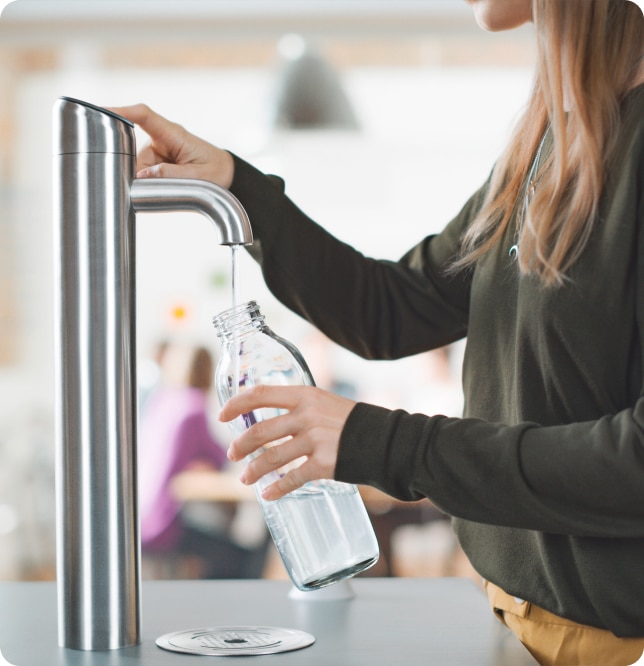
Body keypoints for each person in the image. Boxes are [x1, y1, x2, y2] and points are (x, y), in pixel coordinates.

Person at [112, 0, 644, 662]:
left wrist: (383, 442)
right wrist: (237, 188)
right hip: (508, 619)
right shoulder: (549, 143)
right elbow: (393, 307)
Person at [139, 343, 267, 579]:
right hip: (164, 525)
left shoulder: (162, 402)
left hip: (140, 516)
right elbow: (221, 457)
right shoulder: (193, 407)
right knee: (243, 557)